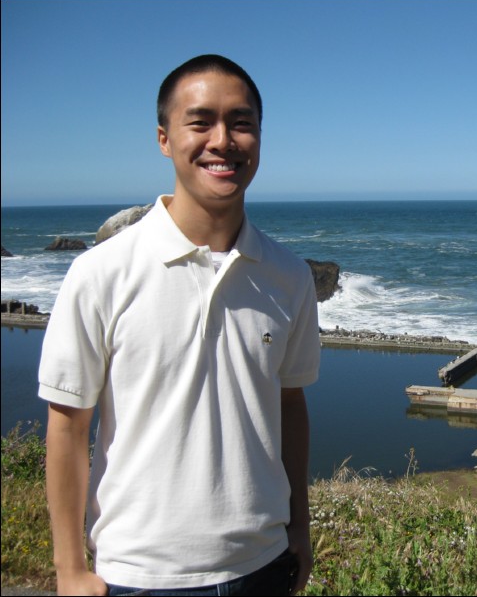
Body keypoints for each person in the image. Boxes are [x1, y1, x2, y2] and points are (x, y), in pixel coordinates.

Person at [39, 54, 320, 596]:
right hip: (138, 575)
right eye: (201, 121)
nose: (223, 140)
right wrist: (69, 569)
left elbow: (290, 407)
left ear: (260, 136)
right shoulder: (102, 272)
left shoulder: (288, 276)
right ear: (164, 138)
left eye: (241, 123)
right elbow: (68, 423)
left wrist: (300, 528)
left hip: (263, 564)